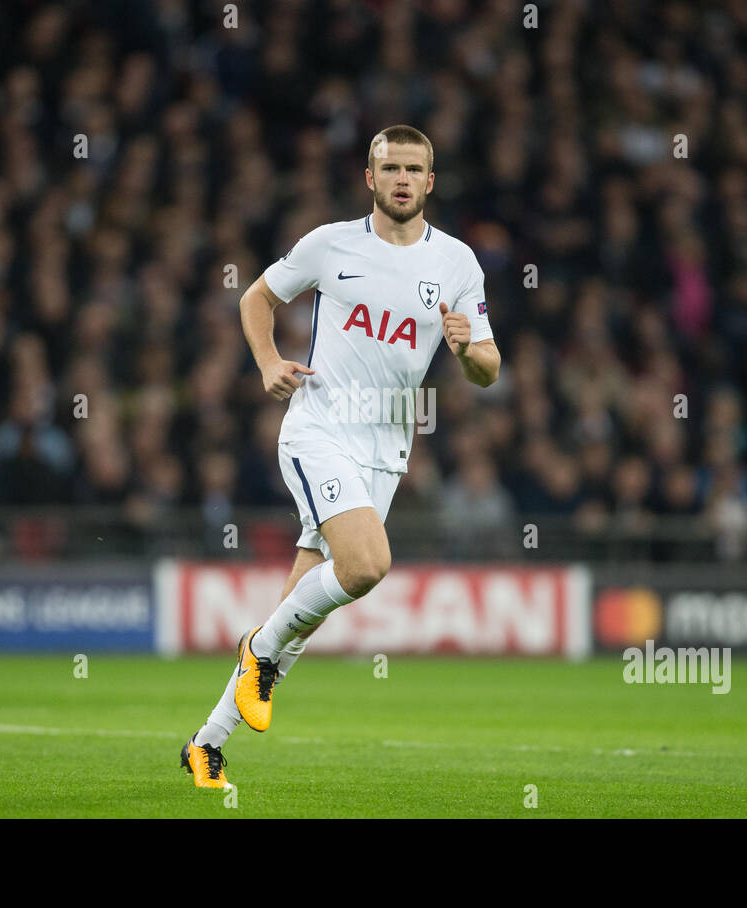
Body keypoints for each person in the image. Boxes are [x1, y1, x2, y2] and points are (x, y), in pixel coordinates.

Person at [181, 125, 500, 788]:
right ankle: (256, 653)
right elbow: (256, 297)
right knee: (366, 565)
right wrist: (267, 361)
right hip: (319, 429)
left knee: (303, 607)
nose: (403, 179)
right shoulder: (330, 245)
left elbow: (489, 372)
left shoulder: (458, 264)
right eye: (391, 168)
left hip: (386, 452)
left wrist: (468, 348)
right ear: (370, 177)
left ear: (431, 181)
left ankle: (207, 742)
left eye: (415, 169)